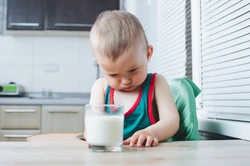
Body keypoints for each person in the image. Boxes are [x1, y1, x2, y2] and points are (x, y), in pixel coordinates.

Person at [87, 10, 180, 147]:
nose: (125, 80)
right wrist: (89, 131)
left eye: (133, 70)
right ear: (99, 64)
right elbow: (93, 124)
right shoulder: (101, 88)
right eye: (113, 74)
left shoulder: (157, 84)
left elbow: (172, 121)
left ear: (148, 54)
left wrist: (152, 132)